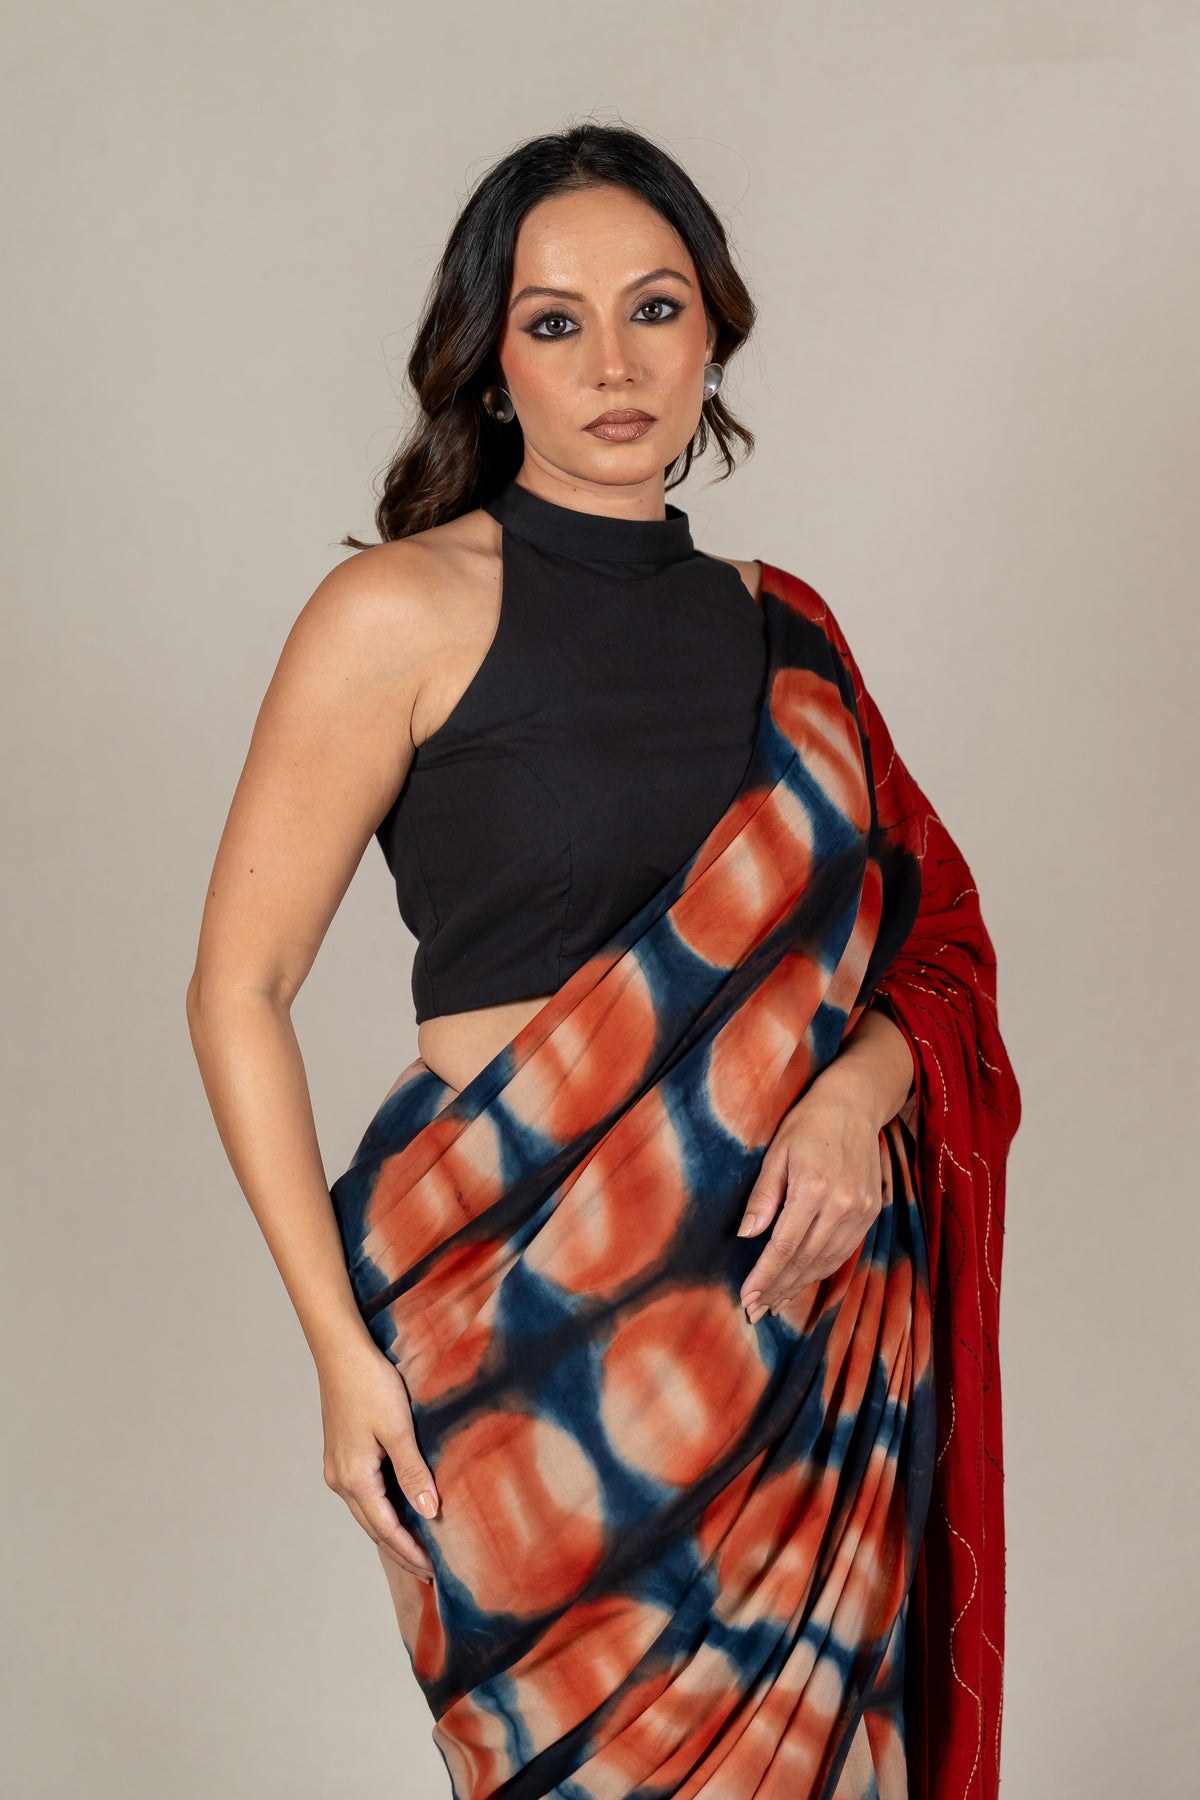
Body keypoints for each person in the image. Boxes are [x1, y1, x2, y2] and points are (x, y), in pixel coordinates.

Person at [185, 122, 1021, 1800]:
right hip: (510, 1334)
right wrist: (337, 1351)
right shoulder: (396, 613)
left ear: (714, 332)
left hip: (799, 1323)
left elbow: (932, 949)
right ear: (491, 360)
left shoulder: (792, 633)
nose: (614, 364)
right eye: (555, 322)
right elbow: (237, 992)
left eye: (655, 308)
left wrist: (855, 1097)